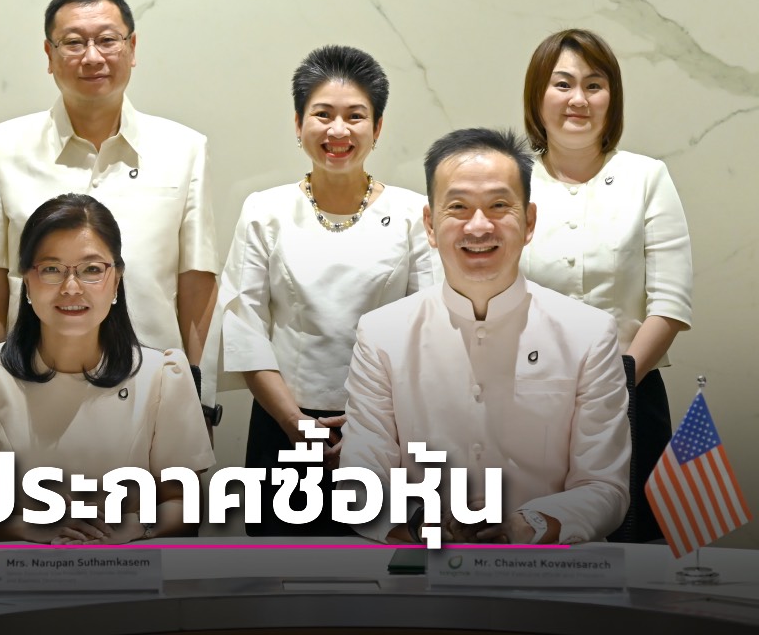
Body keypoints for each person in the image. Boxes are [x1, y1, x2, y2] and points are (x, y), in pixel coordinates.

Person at [340, 128, 630, 545]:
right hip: (424, 563)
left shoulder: (589, 334)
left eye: (498, 206)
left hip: (549, 565)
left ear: (529, 222)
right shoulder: (382, 334)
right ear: (430, 224)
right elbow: (360, 483)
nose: (479, 227)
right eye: (458, 207)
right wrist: (425, 525)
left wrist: (528, 526)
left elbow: (604, 486)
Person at [0, 0, 220, 428]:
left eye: (108, 40)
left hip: (153, 395)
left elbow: (195, 284)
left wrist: (199, 400)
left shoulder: (185, 149)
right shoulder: (0, 149)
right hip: (27, 394)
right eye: (74, 42)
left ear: (132, 48)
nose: (93, 57)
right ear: (49, 54)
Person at [218, 45, 436, 536]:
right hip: (283, 427)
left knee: (384, 565)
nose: (339, 130)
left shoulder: (413, 214)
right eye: (323, 115)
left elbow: (429, 329)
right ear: (298, 124)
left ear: (377, 128)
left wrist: (369, 425)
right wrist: (296, 424)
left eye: (355, 116)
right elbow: (244, 326)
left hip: (387, 427)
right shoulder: (265, 210)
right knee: (283, 571)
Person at [0, 194, 214, 543]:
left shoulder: (162, 376)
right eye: (52, 270)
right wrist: (30, 527)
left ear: (116, 280)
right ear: (27, 281)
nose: (71, 288)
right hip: (9, 570)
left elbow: (183, 503)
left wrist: (135, 529)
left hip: (124, 566)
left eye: (91, 270)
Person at [519, 29, 693, 543]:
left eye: (594, 85)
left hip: (631, 397)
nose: (578, 99)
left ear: (611, 98)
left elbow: (670, 304)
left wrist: (617, 384)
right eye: (563, 84)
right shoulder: (509, 180)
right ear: (537, 97)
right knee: (528, 548)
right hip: (525, 401)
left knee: (632, 558)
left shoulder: (647, 177)